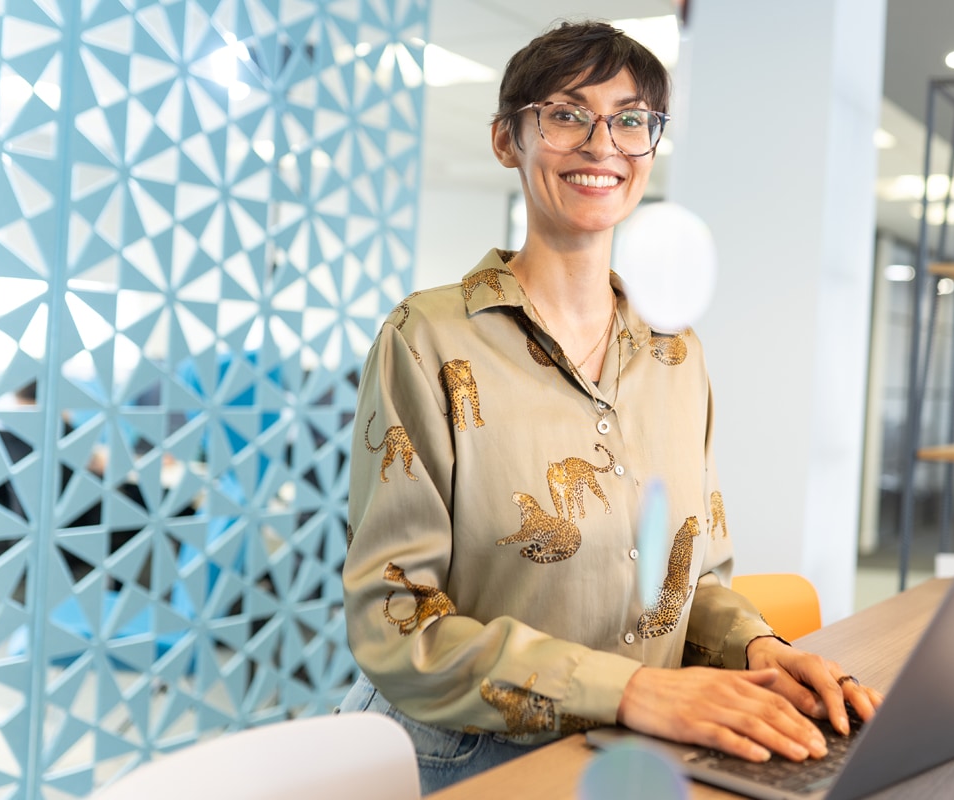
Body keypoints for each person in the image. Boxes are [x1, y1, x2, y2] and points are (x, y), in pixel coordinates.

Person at [339, 19, 882, 793]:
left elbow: (692, 584)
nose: (603, 144)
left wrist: (760, 650)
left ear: (651, 148)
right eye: (566, 114)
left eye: (631, 120)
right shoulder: (427, 339)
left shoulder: (677, 354)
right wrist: (630, 690)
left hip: (639, 747)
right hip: (466, 760)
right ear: (507, 140)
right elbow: (396, 619)